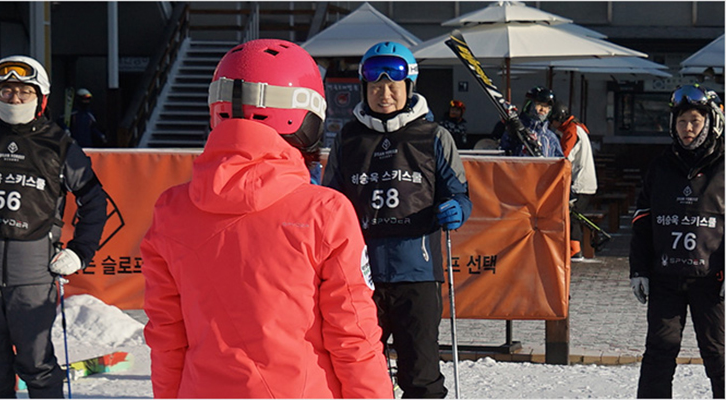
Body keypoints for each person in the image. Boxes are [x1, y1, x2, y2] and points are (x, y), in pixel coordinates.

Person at [141, 38, 391, 399]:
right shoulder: (324, 212)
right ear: (305, 115)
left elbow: (166, 337)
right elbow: (353, 336)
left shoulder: (171, 210)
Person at [0, 55, 108, 398]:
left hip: (34, 274)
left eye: (24, 92)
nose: (14, 99)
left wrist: (80, 251)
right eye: (7, 91)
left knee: (37, 364)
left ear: (40, 97)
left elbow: (95, 201)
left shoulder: (59, 144)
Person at [321, 41, 472, 399]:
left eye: (392, 86)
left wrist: (457, 208)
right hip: (359, 275)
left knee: (421, 374)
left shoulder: (434, 136)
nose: (384, 94)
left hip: (416, 273)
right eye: (375, 86)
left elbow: (459, 192)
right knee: (355, 368)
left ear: (409, 87)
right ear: (364, 88)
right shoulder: (348, 139)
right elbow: (329, 202)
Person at [629, 84, 724, 399]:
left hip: (711, 280)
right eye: (681, 121)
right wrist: (638, 269)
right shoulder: (661, 165)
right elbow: (642, 220)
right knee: (659, 351)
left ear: (710, 122)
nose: (687, 128)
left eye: (695, 121)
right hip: (665, 277)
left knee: (718, 353)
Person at [548, 102, 598, 261]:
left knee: (571, 216)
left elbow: (564, 157)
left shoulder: (571, 131)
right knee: (573, 216)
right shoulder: (577, 128)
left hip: (579, 183)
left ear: (559, 118)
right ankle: (573, 249)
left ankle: (574, 250)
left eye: (552, 120)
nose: (551, 124)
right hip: (585, 182)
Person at [494, 86, 563, 157]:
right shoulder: (516, 131)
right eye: (539, 105)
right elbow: (503, 156)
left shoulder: (550, 138)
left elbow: (560, 160)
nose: (543, 109)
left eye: (546, 107)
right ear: (529, 105)